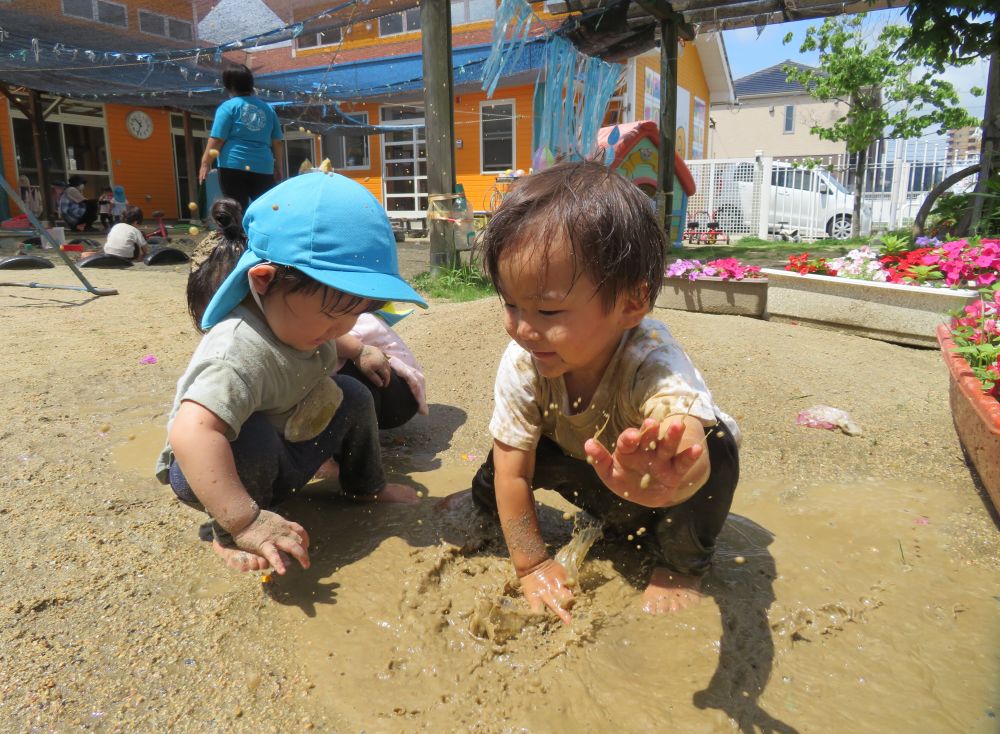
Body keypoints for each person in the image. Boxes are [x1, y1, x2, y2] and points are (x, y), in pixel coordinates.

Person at [461, 161, 741, 621]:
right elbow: (514, 472)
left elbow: (686, 439)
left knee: (719, 448)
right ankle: (477, 499)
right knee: (506, 453)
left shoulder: (650, 358)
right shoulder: (523, 363)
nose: (523, 329)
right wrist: (532, 564)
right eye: (511, 304)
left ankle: (679, 564)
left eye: (548, 312)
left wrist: (671, 481)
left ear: (631, 303)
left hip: (646, 475)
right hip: (589, 468)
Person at [156, 171, 427, 574]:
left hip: (286, 450)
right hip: (218, 468)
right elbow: (191, 433)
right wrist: (244, 520)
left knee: (352, 394)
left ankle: (364, 485)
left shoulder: (303, 324)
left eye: (354, 316)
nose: (342, 329)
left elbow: (333, 339)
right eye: (336, 314)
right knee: (255, 435)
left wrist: (361, 348)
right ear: (264, 281)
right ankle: (229, 532)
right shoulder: (237, 351)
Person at [186, 201, 427, 432]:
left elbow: (334, 340)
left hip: (380, 381)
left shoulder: (312, 318)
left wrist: (359, 351)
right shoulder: (239, 341)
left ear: (261, 285)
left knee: (344, 391)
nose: (230, 325)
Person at [198, 64, 284, 214]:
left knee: (235, 209)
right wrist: (278, 167)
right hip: (263, 167)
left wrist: (205, 163)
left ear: (229, 85)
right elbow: (277, 141)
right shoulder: (268, 109)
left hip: (233, 165)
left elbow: (217, 140)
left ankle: (237, 237)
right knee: (265, 210)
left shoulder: (228, 107)